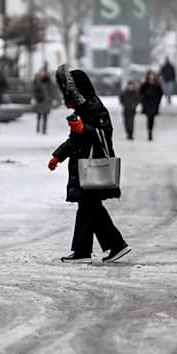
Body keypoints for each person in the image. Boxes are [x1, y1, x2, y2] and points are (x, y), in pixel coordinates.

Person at [47, 64, 130, 264]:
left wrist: (84, 128)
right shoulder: (82, 108)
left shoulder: (94, 106)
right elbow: (73, 140)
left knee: (89, 208)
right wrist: (58, 156)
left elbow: (104, 133)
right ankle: (93, 249)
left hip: (92, 166)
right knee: (88, 208)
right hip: (83, 167)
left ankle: (110, 245)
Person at [138, 70, 163, 141]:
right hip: (147, 103)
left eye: (152, 75)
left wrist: (158, 100)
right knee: (149, 118)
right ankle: (149, 132)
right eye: (150, 75)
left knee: (152, 118)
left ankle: (150, 131)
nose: (151, 76)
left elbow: (160, 93)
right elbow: (140, 92)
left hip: (154, 103)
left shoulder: (157, 84)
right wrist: (143, 100)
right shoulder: (145, 84)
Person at [32, 66, 54, 134]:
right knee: (38, 115)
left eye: (43, 72)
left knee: (45, 115)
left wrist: (51, 98)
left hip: (46, 100)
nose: (42, 73)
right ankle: (38, 127)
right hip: (39, 99)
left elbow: (51, 89)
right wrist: (34, 97)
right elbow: (33, 89)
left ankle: (44, 129)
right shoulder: (36, 80)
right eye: (41, 72)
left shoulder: (48, 80)